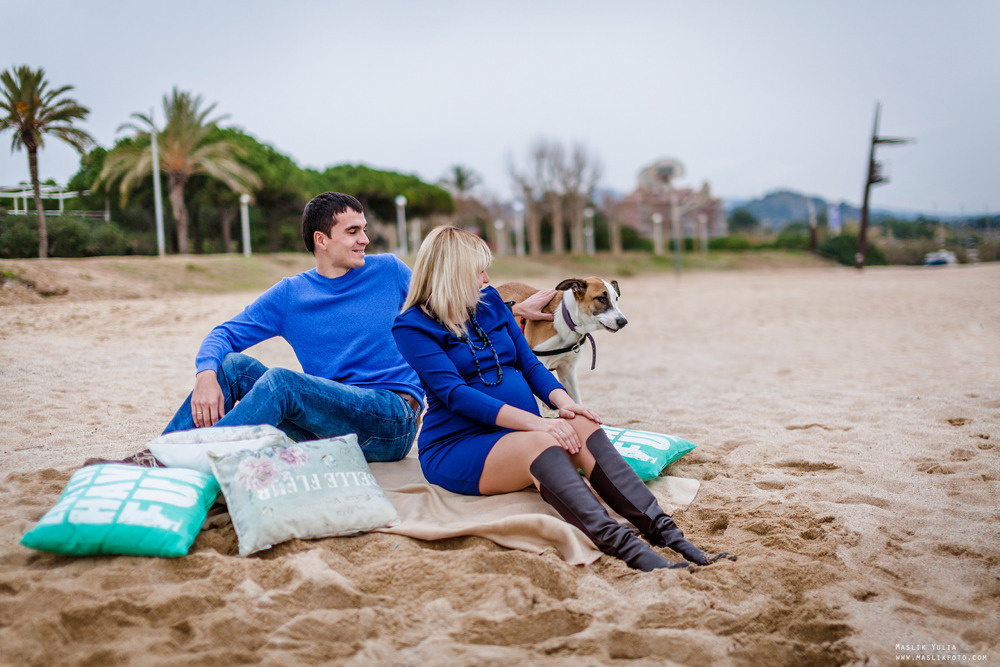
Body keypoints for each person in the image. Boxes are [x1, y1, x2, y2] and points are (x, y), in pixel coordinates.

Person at [97, 192, 555, 469]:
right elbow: (224, 335)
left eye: (365, 229)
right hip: (327, 421)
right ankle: (159, 455)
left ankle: (181, 463)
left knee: (281, 382)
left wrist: (513, 307)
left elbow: (450, 300)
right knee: (233, 367)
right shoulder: (290, 295)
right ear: (322, 240)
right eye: (353, 231)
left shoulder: (389, 272)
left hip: (389, 419)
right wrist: (205, 374)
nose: (365, 239)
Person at [392, 226, 729, 571]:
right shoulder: (413, 326)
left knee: (579, 421)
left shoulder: (491, 303)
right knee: (540, 442)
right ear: (453, 274)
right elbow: (456, 395)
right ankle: (629, 550)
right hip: (460, 443)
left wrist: (566, 405)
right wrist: (540, 424)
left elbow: (529, 365)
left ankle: (670, 536)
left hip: (523, 431)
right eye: (479, 270)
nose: (487, 277)